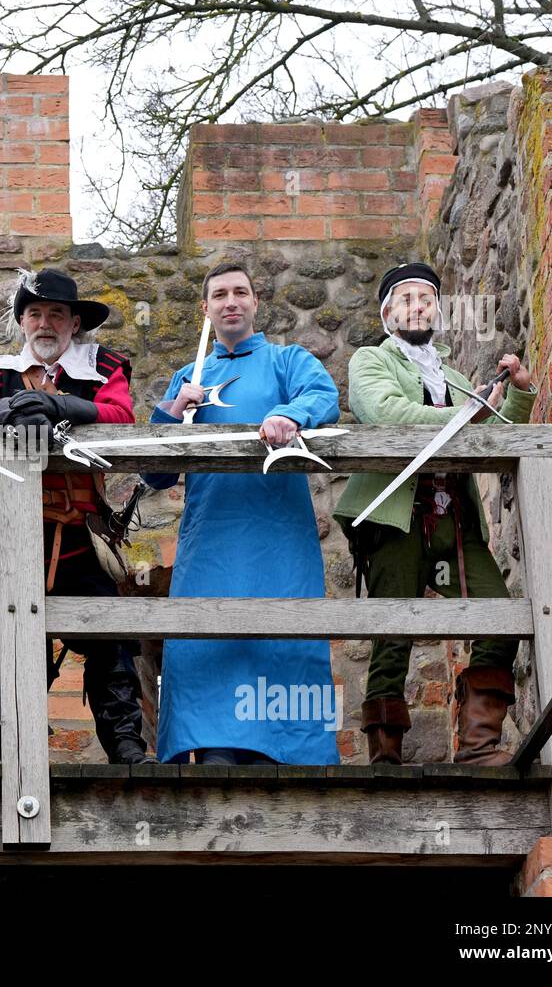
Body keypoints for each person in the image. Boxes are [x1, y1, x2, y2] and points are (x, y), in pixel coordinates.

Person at [334, 262, 536, 765]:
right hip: (397, 514)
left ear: (437, 311)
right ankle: (384, 756)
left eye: (425, 298)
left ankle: (477, 744)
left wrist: (517, 394)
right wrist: (469, 413)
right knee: (394, 631)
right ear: (388, 313)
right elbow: (386, 414)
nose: (417, 306)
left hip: (455, 520)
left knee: (500, 617)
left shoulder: (457, 377)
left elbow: (491, 433)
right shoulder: (370, 361)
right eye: (405, 299)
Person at [145, 262, 341, 766]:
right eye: (219, 295)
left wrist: (289, 415)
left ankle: (283, 754)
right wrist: (171, 414)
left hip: (279, 538)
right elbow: (156, 475)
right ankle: (213, 750)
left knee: (280, 634)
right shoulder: (190, 377)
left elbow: (323, 397)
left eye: (240, 293)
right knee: (209, 639)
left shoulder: (286, 361)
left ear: (255, 303)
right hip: (211, 539)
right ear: (206, 309)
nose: (230, 302)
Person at [0, 268, 155, 765]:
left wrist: (59, 404)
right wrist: (10, 409)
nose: (45, 323)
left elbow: (119, 415)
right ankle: (17, 755)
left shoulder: (104, 365)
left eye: (57, 314)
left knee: (108, 639)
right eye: (36, 314)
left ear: (73, 323)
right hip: (1, 528)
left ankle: (127, 749)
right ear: (22, 321)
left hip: (77, 528)